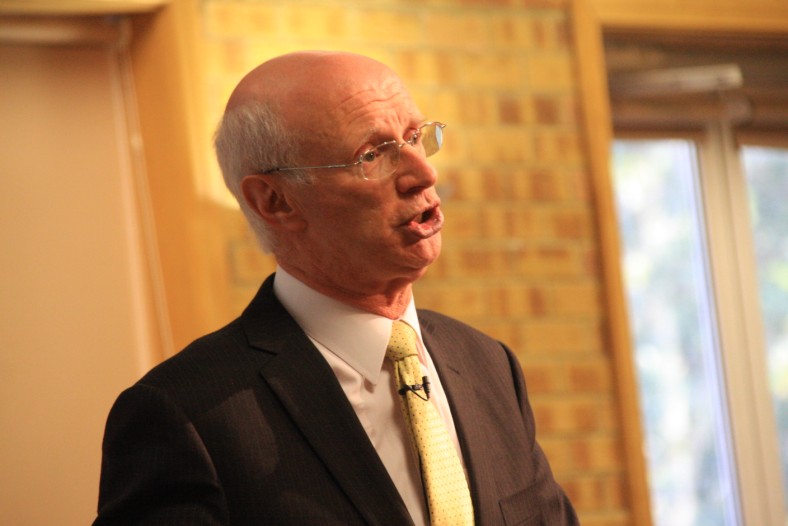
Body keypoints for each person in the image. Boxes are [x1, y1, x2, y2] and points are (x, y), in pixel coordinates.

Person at [94, 50, 579, 526]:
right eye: (372, 155)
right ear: (275, 201)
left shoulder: (487, 364)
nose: (424, 173)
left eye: (415, 137)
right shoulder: (187, 414)